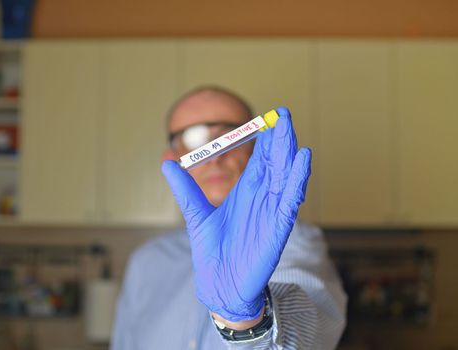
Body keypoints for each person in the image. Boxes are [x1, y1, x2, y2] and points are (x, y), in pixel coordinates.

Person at [112, 86, 347, 349]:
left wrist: (248, 324)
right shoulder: (146, 262)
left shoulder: (294, 241)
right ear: (172, 158)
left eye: (230, 136)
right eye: (194, 138)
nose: (215, 155)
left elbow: (314, 327)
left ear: (255, 147)